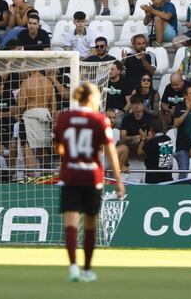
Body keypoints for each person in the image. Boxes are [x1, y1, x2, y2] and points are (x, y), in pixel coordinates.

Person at [56, 82, 124, 282]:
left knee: (70, 224)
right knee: (90, 225)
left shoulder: (64, 118)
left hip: (69, 175)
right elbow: (111, 151)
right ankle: (87, 270)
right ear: (93, 98)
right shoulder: (99, 120)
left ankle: (73, 268)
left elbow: (59, 149)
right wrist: (118, 179)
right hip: (92, 177)